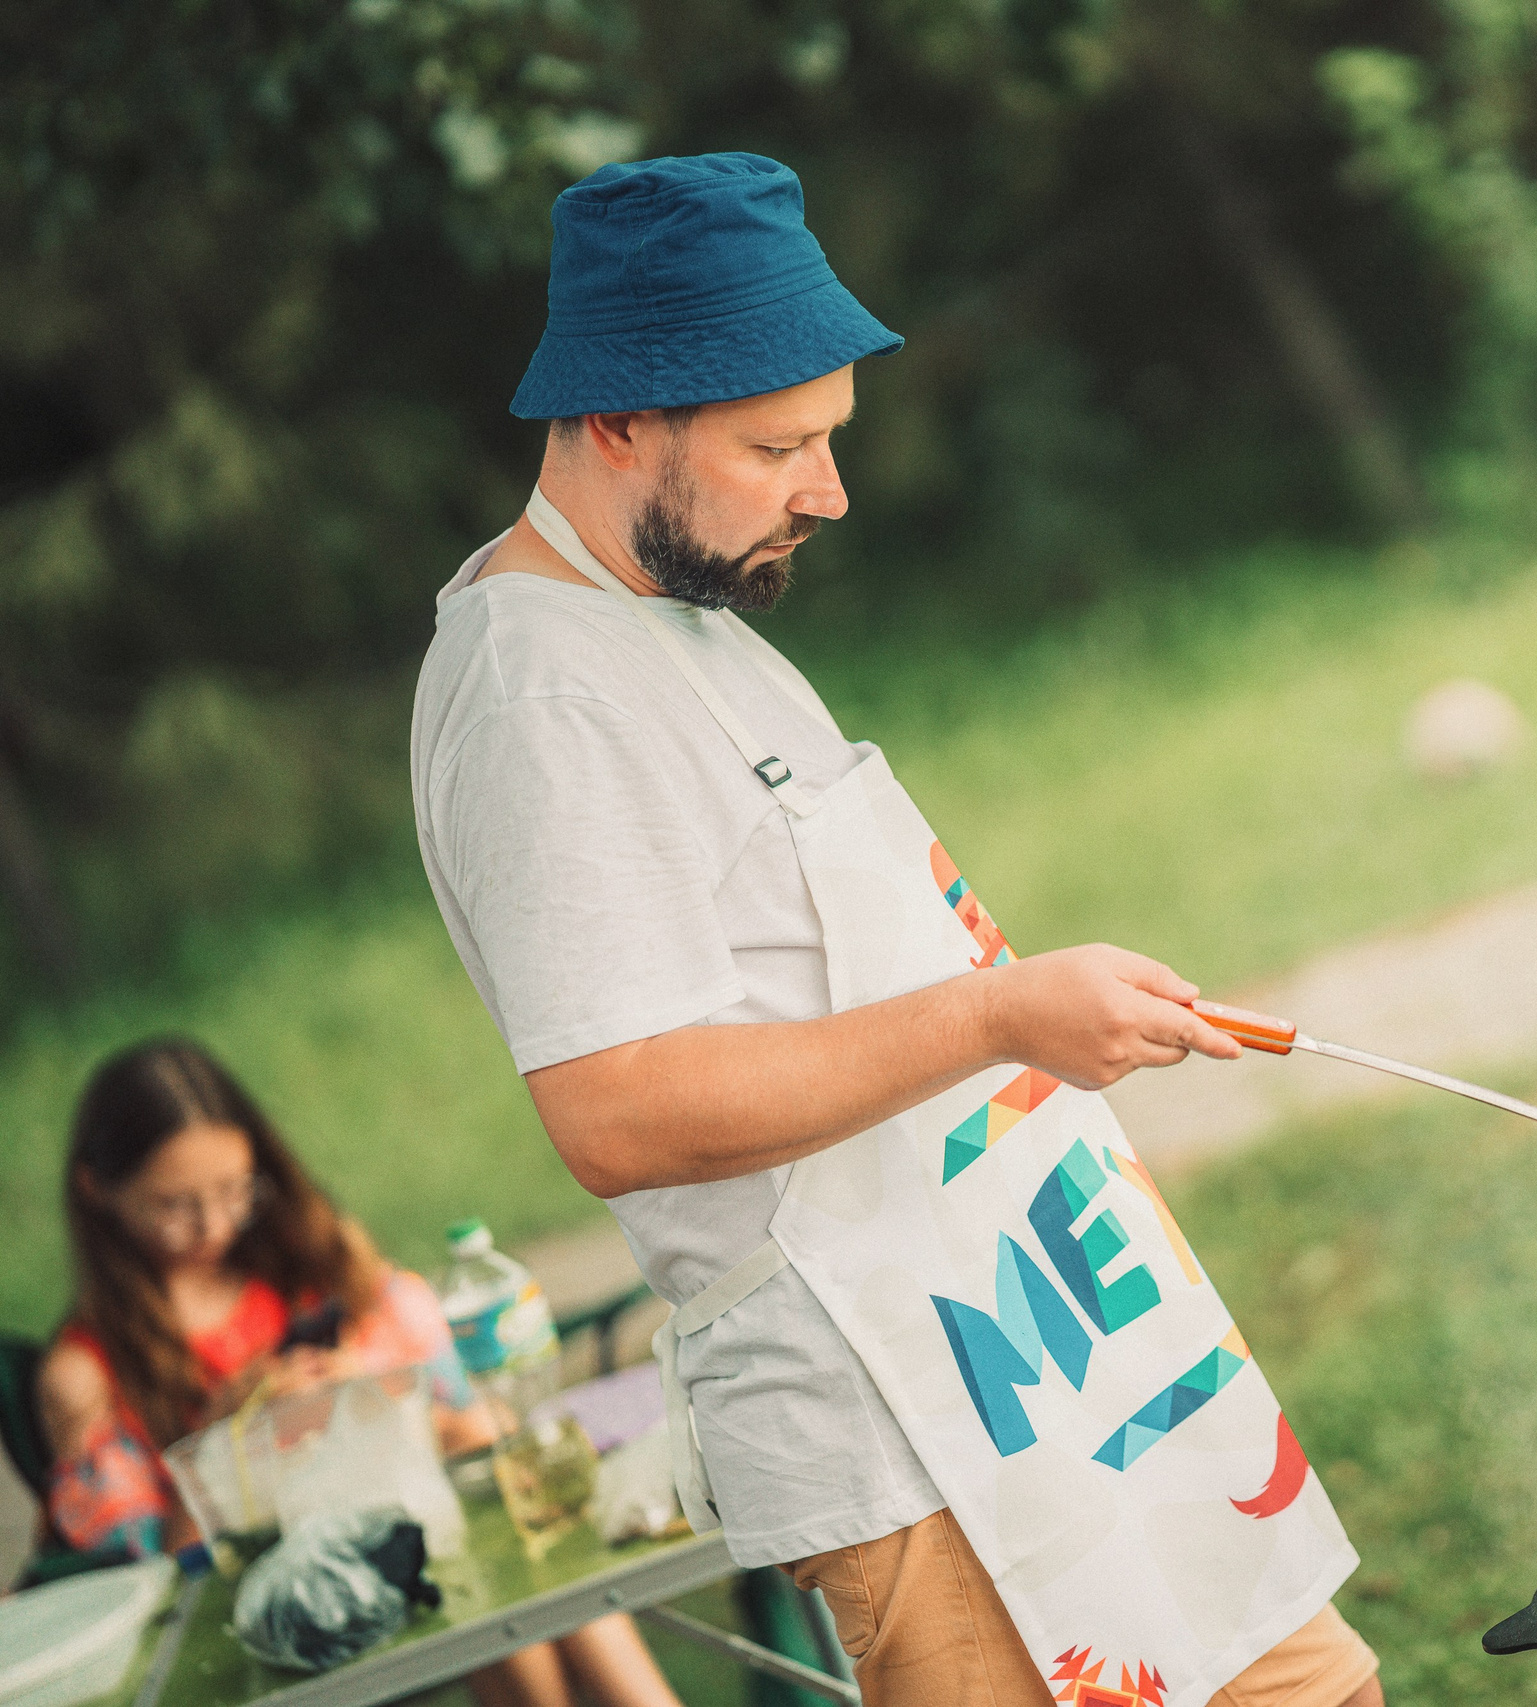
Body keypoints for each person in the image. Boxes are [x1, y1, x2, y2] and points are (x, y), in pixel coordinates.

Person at [410, 152, 1382, 1707]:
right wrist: (1000, 1020)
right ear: (614, 422)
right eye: (776, 444)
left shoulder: (678, 620)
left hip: (1057, 1337)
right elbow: (617, 1104)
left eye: (830, 438)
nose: (829, 491)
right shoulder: (541, 697)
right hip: (911, 1425)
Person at [36, 1037, 681, 1707]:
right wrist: (226, 1435)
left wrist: (359, 1385)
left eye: (235, 1190)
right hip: (284, 1605)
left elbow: (456, 1403)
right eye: (174, 1204)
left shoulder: (305, 1257)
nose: (213, 1224)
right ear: (97, 1190)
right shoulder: (86, 1373)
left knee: (469, 1448)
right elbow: (157, 1589)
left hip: (414, 1539)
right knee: (487, 1539)